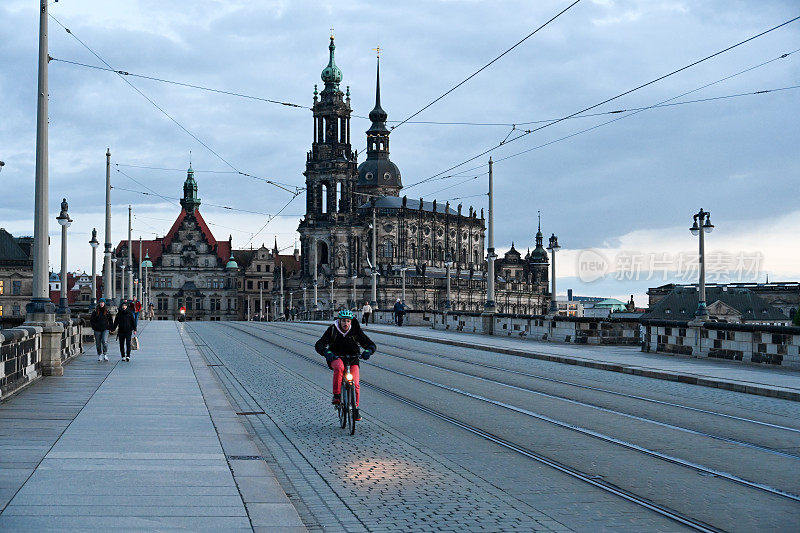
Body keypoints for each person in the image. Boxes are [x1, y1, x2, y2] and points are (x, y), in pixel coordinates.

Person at [315, 309, 376, 422]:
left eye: (348, 321)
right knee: (339, 367)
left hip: (352, 359)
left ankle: (355, 408)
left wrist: (369, 351)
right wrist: (326, 352)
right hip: (336, 357)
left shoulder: (355, 331)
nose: (346, 324)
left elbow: (370, 344)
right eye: (343, 321)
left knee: (356, 383)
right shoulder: (332, 330)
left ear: (351, 321)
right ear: (339, 321)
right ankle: (337, 395)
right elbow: (319, 344)